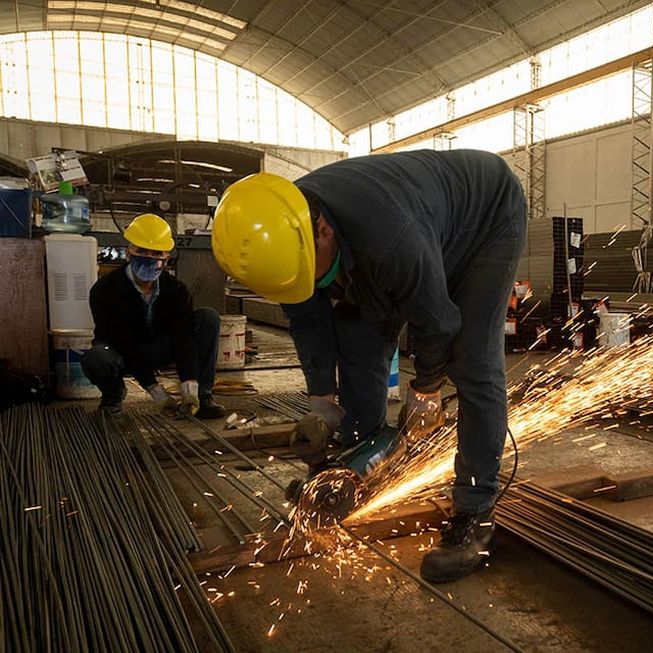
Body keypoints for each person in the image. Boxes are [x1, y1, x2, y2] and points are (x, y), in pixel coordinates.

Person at [211, 150, 526, 583]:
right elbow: (307, 319)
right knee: (358, 341)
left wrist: (426, 392)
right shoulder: (285, 236)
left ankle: (476, 511)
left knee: (471, 357)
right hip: (405, 230)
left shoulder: (392, 241)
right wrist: (321, 400)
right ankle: (356, 470)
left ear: (322, 232)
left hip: (484, 221)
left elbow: (438, 322)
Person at [81, 213, 227, 419]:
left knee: (208, 317)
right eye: (141, 251)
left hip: (160, 348)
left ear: (166, 258)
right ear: (128, 253)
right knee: (97, 357)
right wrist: (156, 392)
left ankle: (203, 397)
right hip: (122, 353)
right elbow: (124, 341)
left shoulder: (175, 290)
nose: (149, 258)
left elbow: (182, 337)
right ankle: (112, 395)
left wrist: (189, 388)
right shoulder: (105, 290)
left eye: (156, 253)